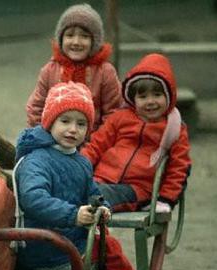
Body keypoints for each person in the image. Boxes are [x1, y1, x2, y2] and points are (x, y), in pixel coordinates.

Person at [14, 81, 179, 270]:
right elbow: (33, 199)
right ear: (49, 122)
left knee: (104, 239)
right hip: (43, 247)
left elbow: (92, 192)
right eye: (65, 121)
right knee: (107, 246)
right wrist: (73, 215)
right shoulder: (36, 160)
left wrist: (100, 207)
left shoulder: (79, 161)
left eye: (81, 124)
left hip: (65, 241)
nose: (73, 129)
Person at [81, 53, 192, 213]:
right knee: (71, 187)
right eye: (143, 96)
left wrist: (166, 199)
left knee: (96, 196)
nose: (150, 101)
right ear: (133, 99)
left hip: (136, 189)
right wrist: (78, 168)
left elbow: (179, 167)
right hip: (101, 178)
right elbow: (96, 145)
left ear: (169, 95)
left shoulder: (174, 127)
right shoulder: (120, 118)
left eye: (157, 95)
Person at [25, 3, 121, 133]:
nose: (76, 42)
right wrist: (42, 138)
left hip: (94, 142)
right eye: (70, 35)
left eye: (84, 36)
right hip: (54, 141)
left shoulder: (105, 72)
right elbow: (36, 108)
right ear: (60, 39)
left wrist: (96, 143)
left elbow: (113, 113)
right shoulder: (50, 70)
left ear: (95, 41)